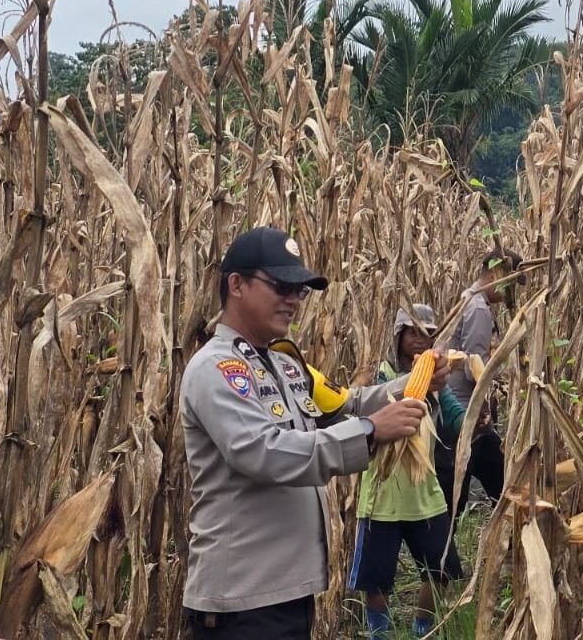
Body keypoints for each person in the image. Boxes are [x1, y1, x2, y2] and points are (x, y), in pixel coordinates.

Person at [181, 226, 436, 640]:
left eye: (301, 290)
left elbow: (344, 404)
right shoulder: (217, 369)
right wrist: (371, 432)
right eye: (282, 286)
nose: (295, 300)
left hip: (285, 594)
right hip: (241, 601)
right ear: (236, 285)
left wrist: (413, 385)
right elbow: (264, 453)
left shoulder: (283, 364)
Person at [349, 304, 467, 639]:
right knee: (377, 580)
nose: (419, 340)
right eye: (412, 332)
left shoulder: (433, 380)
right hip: (382, 495)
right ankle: (379, 634)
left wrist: (476, 420)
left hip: (424, 493)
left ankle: (422, 630)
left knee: (439, 571)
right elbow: (364, 407)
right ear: (398, 335)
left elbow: (454, 413)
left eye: (427, 333)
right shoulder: (380, 375)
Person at [444, 248, 523, 512]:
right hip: (468, 412)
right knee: (497, 485)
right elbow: (473, 368)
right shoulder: (479, 308)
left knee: (467, 485)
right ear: (495, 274)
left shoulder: (469, 298)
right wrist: (501, 374)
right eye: (509, 283)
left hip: (463, 410)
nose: (510, 292)